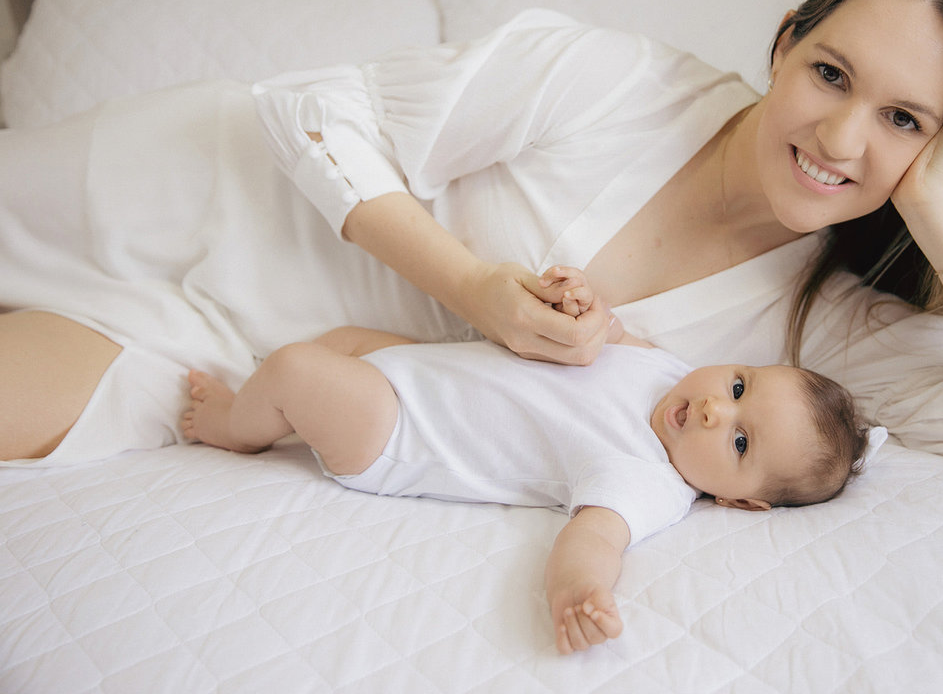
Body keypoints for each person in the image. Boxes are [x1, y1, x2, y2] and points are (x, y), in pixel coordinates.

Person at [0, 0, 943, 482]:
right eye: (833, 75)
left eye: (905, 120)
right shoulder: (618, 83)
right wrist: (472, 286)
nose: (841, 140)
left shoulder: (821, 336)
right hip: (185, 200)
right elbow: (305, 109)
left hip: (235, 366)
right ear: (787, 42)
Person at [179, 267, 878, 655]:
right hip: (416, 369)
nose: (714, 410)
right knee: (343, 341)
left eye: (739, 443)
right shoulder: (671, 372)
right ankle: (270, 399)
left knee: (299, 368)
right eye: (738, 386)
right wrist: (584, 306)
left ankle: (235, 425)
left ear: (739, 501)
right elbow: (609, 337)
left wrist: (576, 591)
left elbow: (594, 538)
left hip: (397, 433)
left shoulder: (649, 481)